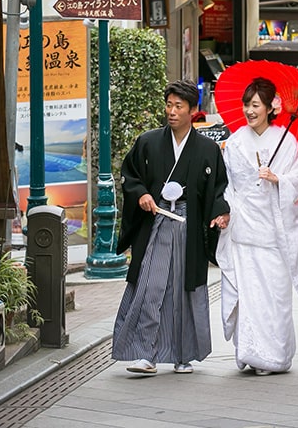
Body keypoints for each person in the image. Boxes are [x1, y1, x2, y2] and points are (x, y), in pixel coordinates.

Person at [112, 79, 230, 376]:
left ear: (193, 110)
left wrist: (220, 212)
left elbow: (218, 188)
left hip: (189, 227)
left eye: (179, 106)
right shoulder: (149, 141)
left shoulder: (207, 148)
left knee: (183, 289)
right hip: (157, 221)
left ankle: (183, 354)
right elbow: (131, 175)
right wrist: (142, 195)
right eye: (169, 105)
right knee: (151, 286)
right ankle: (145, 353)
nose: (172, 111)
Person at [217, 76, 298, 376]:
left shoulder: (286, 142)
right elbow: (227, 186)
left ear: (269, 108)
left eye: (255, 105)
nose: (249, 111)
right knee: (248, 297)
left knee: (274, 297)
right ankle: (249, 352)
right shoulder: (235, 142)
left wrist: (279, 180)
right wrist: (226, 211)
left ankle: (274, 356)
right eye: (246, 105)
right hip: (243, 232)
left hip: (274, 235)